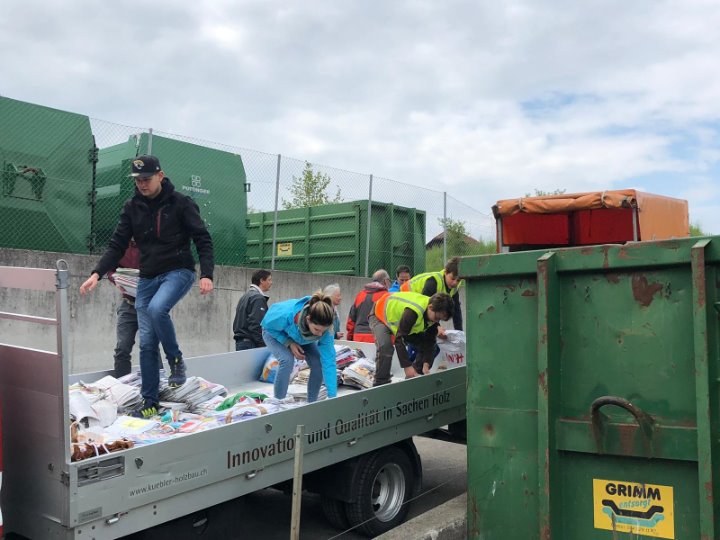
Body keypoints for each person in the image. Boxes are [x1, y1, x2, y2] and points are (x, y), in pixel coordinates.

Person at [80, 155, 214, 419]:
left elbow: (203, 239)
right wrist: (96, 273)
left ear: (160, 176)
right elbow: (117, 244)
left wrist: (206, 274)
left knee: (157, 309)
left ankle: (176, 360)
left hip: (178, 271)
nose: (142, 184)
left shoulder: (182, 204)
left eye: (146, 179)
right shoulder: (132, 207)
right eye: (138, 180)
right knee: (147, 344)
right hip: (148, 277)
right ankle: (150, 400)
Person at [261, 292, 338, 402]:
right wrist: (289, 342)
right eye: (317, 329)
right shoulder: (285, 315)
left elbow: (329, 361)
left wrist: (332, 396)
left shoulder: (326, 330)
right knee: (287, 360)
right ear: (308, 319)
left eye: (323, 331)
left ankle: (312, 403)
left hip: (302, 337)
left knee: (319, 362)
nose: (320, 335)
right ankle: (278, 402)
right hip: (273, 332)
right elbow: (267, 326)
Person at [369, 291, 454, 386]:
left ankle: (415, 377)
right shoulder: (412, 312)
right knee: (386, 347)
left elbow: (429, 342)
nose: (437, 321)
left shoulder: (433, 315)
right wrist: (407, 366)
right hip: (379, 315)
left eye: (440, 319)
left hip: (403, 325)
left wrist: (426, 363)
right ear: (430, 307)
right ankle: (381, 383)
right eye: (437, 317)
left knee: (429, 344)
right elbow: (399, 339)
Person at [401, 257, 463, 334]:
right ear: (445, 272)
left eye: (458, 280)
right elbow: (426, 309)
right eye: (452, 279)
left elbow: (456, 310)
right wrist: (437, 327)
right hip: (404, 298)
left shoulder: (454, 288)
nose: (455, 283)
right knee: (414, 332)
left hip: (416, 305)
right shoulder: (433, 282)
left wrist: (460, 333)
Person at [106, 240, 140, 378]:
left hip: (150, 306)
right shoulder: (120, 245)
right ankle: (122, 387)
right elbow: (110, 270)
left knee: (150, 348)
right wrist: (115, 279)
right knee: (122, 349)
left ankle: (158, 386)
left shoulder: (153, 243)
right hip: (128, 303)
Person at [346, 269, 391, 342]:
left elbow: (351, 320)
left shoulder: (360, 295)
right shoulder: (386, 297)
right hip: (379, 339)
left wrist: (350, 339)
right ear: (386, 281)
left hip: (359, 337)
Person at [233, 269, 272, 350]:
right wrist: (263, 345)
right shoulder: (258, 298)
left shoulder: (245, 296)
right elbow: (256, 324)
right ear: (262, 280)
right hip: (251, 344)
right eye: (269, 280)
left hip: (241, 343)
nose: (271, 282)